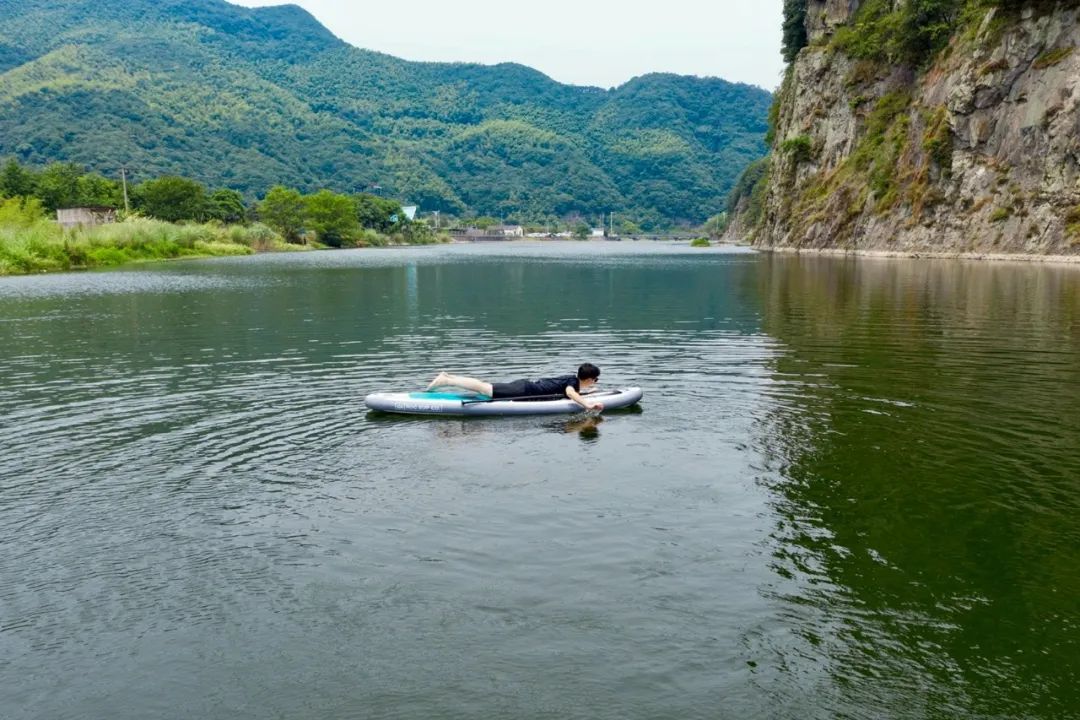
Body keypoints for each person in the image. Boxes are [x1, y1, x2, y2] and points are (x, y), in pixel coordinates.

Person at [427, 363, 604, 411]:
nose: (595, 382)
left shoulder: (572, 379)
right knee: (485, 389)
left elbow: (572, 390)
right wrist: (587, 404)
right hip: (524, 391)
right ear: (589, 378)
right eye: (595, 380)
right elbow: (570, 393)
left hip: (525, 387)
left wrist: (589, 393)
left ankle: (448, 378)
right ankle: (447, 379)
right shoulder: (572, 384)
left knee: (485, 388)